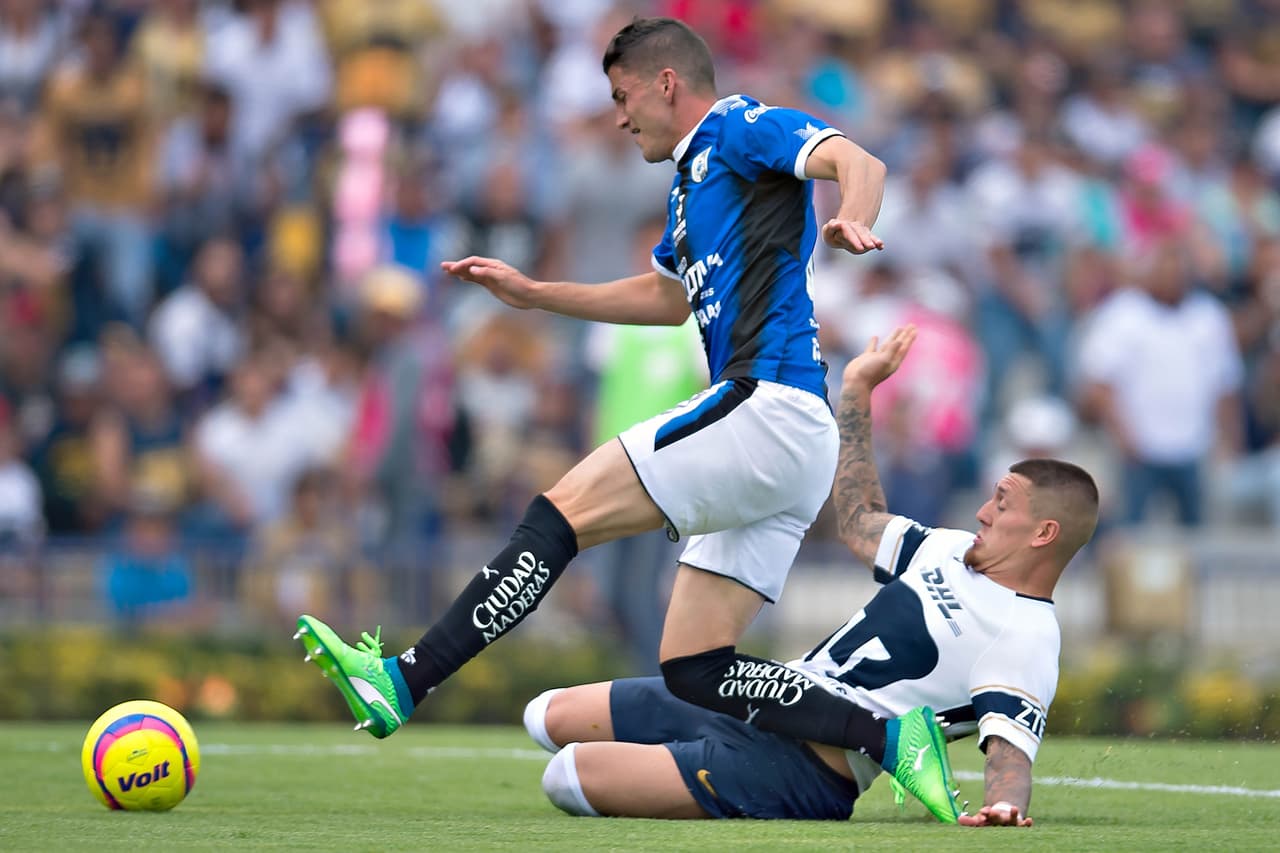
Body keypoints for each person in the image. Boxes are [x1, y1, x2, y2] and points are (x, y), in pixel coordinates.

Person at [292, 14, 929, 812]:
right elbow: (666, 299)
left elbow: (852, 157)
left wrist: (855, 213)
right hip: (785, 436)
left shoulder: (735, 125)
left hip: (765, 404)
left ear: (667, 83)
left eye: (624, 97)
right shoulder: (692, 182)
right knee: (695, 666)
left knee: (556, 515)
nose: (620, 117)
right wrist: (534, 294)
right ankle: (887, 734)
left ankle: (404, 679)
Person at [520, 328, 1100, 826]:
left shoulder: (1024, 633)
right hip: (761, 696)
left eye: (1002, 503)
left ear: (1043, 533)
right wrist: (857, 393)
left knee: (567, 776)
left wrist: (1002, 806)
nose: (983, 511)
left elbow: (1009, 754)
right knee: (545, 715)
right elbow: (858, 520)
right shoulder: (950, 550)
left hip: (803, 768)